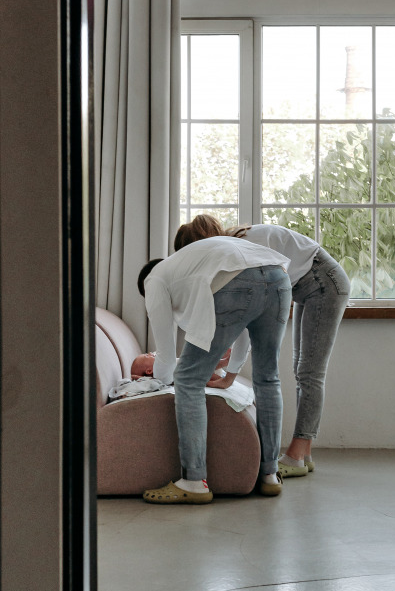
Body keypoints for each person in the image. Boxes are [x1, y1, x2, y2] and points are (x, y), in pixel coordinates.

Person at [174, 215, 351, 477]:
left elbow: (249, 315)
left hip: (324, 282)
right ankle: (304, 452)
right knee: (301, 368)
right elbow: (251, 318)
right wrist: (230, 374)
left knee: (309, 372)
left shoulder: (243, 247)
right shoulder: (236, 247)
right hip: (307, 284)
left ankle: (296, 456)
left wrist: (231, 375)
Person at [134, 234, 292, 504]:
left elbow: (166, 354)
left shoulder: (155, 279)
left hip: (238, 281)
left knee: (187, 380)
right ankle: (269, 474)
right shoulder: (193, 264)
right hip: (279, 277)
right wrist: (231, 374)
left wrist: (165, 380)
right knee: (268, 378)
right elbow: (243, 327)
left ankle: (194, 481)